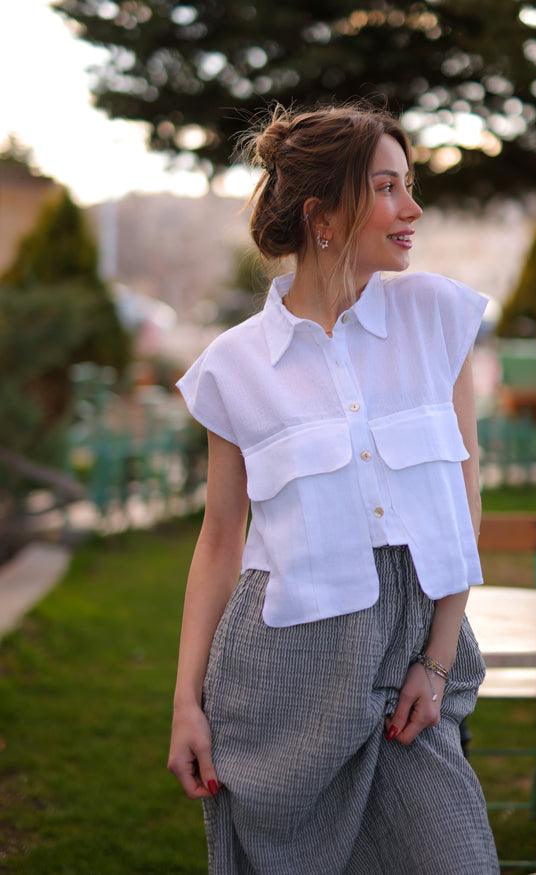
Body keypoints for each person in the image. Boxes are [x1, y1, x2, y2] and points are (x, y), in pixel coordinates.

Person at [167, 99, 499, 874]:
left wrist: (439, 658)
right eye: (386, 187)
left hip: (415, 658)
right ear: (325, 214)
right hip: (285, 682)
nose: (411, 208)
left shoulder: (439, 317)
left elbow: (462, 497)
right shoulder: (234, 365)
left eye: (408, 184)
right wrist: (187, 701)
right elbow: (220, 540)